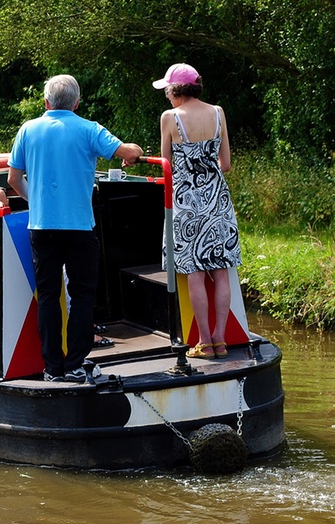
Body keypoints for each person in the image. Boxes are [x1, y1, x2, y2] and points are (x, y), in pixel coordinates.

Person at [8, 74, 142, 382]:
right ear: (77, 103)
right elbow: (129, 153)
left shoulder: (27, 130)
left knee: (48, 295)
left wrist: (37, 201)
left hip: (42, 227)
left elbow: (14, 180)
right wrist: (132, 150)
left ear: (45, 102)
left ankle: (52, 368)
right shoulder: (89, 129)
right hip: (80, 228)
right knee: (82, 295)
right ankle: (75, 364)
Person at [153, 63, 241, 360]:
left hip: (188, 203)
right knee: (222, 271)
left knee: (194, 273)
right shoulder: (218, 112)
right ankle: (220, 339)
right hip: (218, 200)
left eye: (167, 89)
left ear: (176, 89)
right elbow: (225, 163)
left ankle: (203, 341)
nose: (166, 95)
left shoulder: (171, 118)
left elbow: (168, 167)